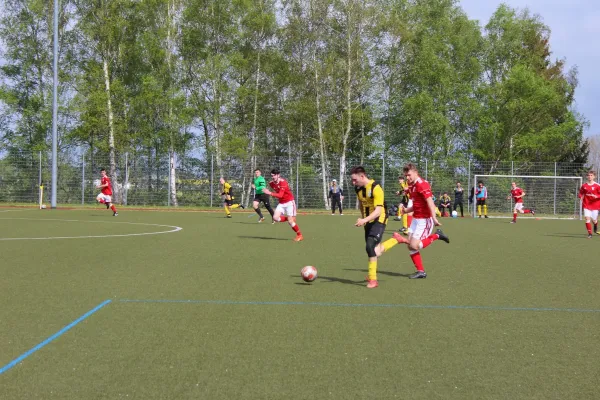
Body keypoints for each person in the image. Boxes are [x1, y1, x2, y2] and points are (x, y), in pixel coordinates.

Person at [391, 163, 449, 279]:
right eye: (405, 176)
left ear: (415, 172)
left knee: (414, 245)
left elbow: (430, 202)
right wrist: (406, 210)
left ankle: (437, 235)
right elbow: (417, 205)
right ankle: (421, 271)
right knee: (410, 246)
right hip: (416, 219)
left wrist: (434, 217)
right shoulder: (412, 186)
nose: (407, 178)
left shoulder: (422, 184)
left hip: (425, 220)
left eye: (409, 175)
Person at [351, 166, 404, 288]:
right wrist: (364, 218)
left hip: (379, 219)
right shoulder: (358, 188)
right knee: (374, 251)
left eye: (354, 179)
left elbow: (378, 211)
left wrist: (364, 219)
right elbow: (361, 203)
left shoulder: (376, 188)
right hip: (368, 220)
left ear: (362, 176)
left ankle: (373, 280)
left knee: (369, 246)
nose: (353, 182)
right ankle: (396, 239)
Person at [263, 168, 303, 241]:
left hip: (289, 202)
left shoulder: (283, 182)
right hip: (281, 203)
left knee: (291, 222)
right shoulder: (271, 183)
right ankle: (288, 218)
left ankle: (299, 235)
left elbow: (280, 195)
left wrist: (270, 193)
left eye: (274, 175)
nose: (272, 177)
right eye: (271, 176)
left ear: (278, 175)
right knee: (275, 218)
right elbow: (268, 190)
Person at [578, 170, 600, 238]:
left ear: (594, 177)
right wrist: (581, 197)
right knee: (587, 218)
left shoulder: (597, 185)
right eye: (588, 175)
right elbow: (580, 193)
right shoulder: (584, 185)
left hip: (595, 205)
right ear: (587, 176)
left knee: (594, 220)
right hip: (586, 204)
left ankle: (595, 226)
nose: (590, 177)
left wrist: (597, 196)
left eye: (591, 175)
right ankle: (590, 234)